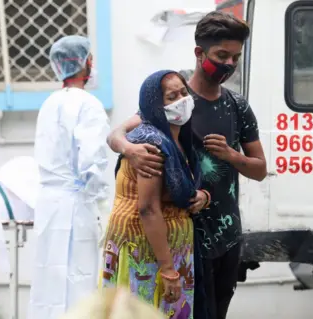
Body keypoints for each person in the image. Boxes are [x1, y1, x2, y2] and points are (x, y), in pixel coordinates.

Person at [106, 12, 267, 319]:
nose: (229, 65)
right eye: (222, 56)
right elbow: (117, 134)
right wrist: (131, 150)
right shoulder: (174, 96)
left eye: (235, 57)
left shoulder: (237, 106)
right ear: (199, 53)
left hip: (227, 235)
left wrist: (232, 156)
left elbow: (260, 170)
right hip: (186, 240)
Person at [100, 70, 207, 319]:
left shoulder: (180, 137)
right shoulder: (150, 145)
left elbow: (187, 185)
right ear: (155, 105)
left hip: (172, 249)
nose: (182, 100)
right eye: (172, 96)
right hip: (147, 253)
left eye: (183, 92)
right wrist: (168, 271)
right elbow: (148, 209)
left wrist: (203, 195)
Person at [28, 35, 110, 319]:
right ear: (87, 62)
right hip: (76, 205)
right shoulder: (89, 105)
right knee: (80, 282)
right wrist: (103, 209)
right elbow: (92, 163)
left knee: (48, 282)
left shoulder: (49, 104)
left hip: (49, 205)